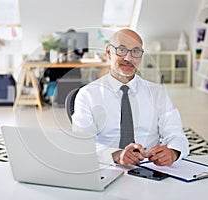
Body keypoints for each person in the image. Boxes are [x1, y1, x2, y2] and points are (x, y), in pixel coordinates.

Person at [71, 29, 189, 166]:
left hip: (150, 166)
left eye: (136, 51)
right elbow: (83, 142)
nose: (128, 58)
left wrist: (173, 153)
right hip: (107, 165)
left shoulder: (158, 93)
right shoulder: (87, 95)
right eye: (122, 50)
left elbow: (176, 134)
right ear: (109, 52)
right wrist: (116, 155)